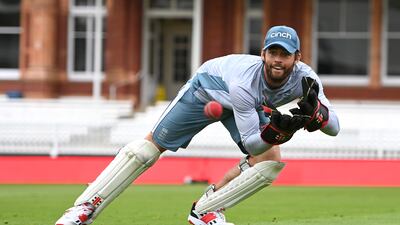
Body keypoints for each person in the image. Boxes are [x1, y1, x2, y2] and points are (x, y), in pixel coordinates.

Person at [55, 25, 340, 225]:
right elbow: (254, 142)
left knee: (270, 163)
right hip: (206, 89)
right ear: (263, 54)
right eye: (273, 53)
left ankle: (205, 211)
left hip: (245, 104)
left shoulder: (306, 78)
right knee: (147, 149)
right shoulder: (245, 81)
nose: (278, 60)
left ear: (297, 58)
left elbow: (334, 127)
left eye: (285, 54)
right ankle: (83, 208)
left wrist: (320, 116)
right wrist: (279, 132)